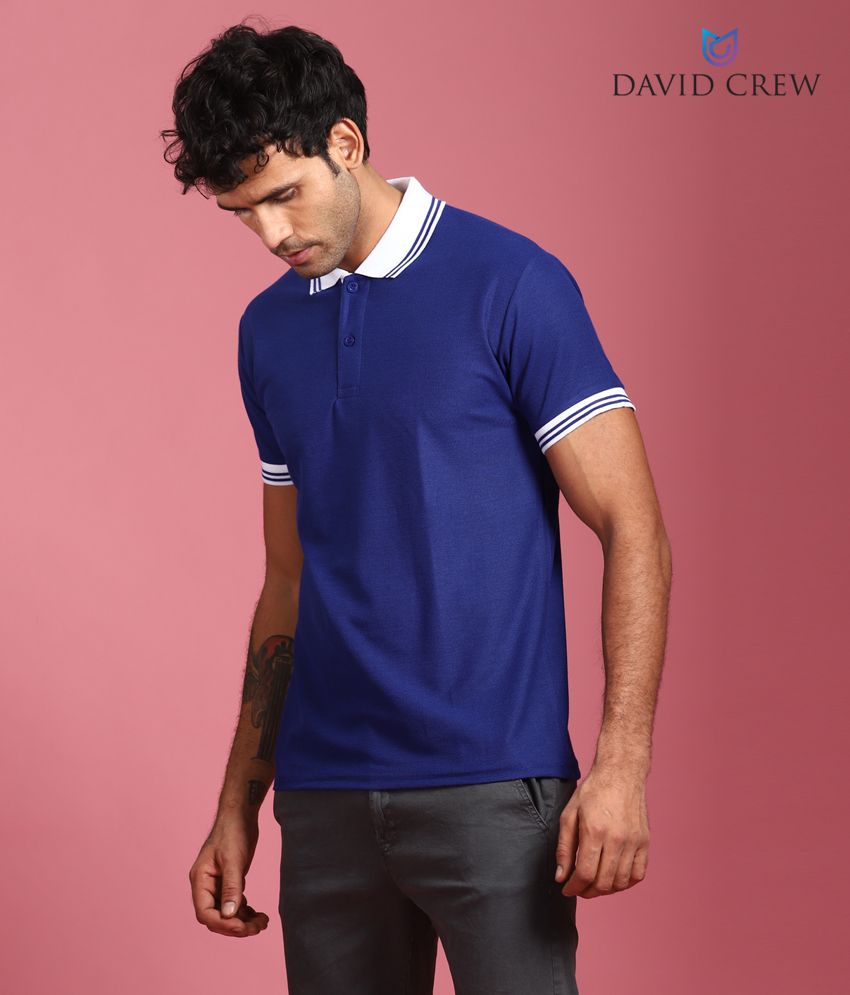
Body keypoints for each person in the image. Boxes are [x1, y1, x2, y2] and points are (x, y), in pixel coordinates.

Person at [163, 20, 672, 995]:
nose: (272, 235)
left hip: (494, 788)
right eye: (242, 213)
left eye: (284, 195)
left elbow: (631, 525)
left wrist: (621, 764)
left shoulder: (511, 283)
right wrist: (237, 802)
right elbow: (287, 578)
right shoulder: (267, 331)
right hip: (324, 799)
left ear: (345, 142)